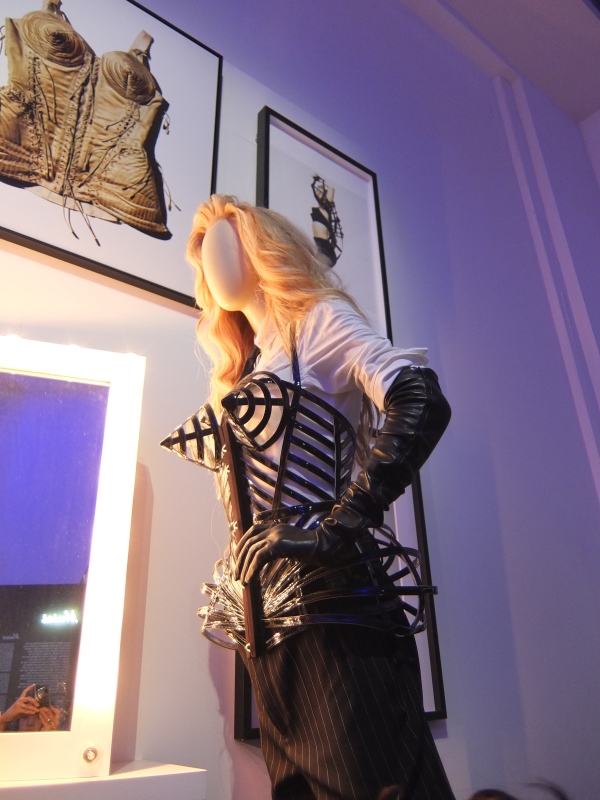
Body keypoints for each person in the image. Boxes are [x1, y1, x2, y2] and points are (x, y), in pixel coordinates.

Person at [162, 194, 454, 800]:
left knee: (368, 786)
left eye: (226, 241)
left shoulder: (317, 322)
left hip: (336, 606)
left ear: (263, 245)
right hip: (266, 628)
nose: (214, 264)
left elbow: (420, 398)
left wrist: (335, 527)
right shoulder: (249, 365)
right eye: (205, 255)